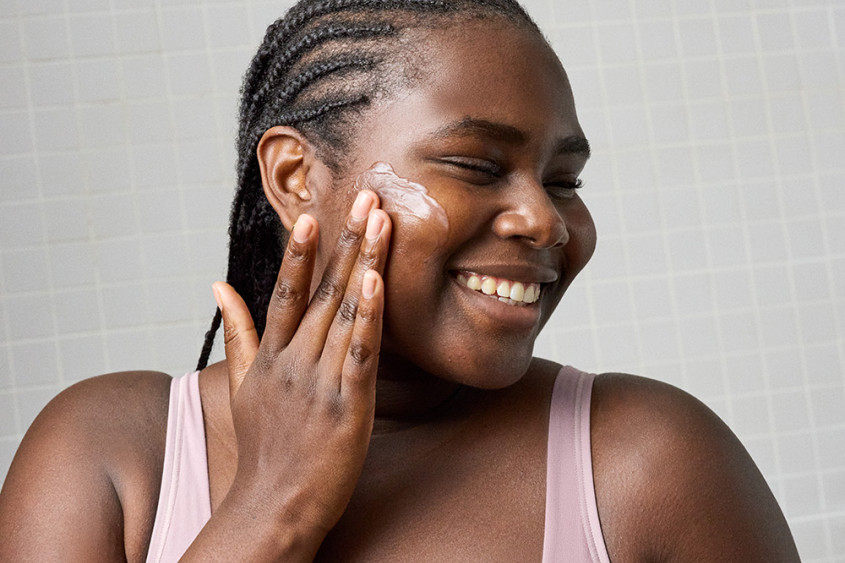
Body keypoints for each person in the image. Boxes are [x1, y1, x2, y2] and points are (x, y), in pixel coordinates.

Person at [0, 0, 800, 560]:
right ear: (294, 177)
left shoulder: (646, 464)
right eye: (475, 165)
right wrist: (273, 503)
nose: (544, 221)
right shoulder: (108, 458)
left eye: (563, 182)